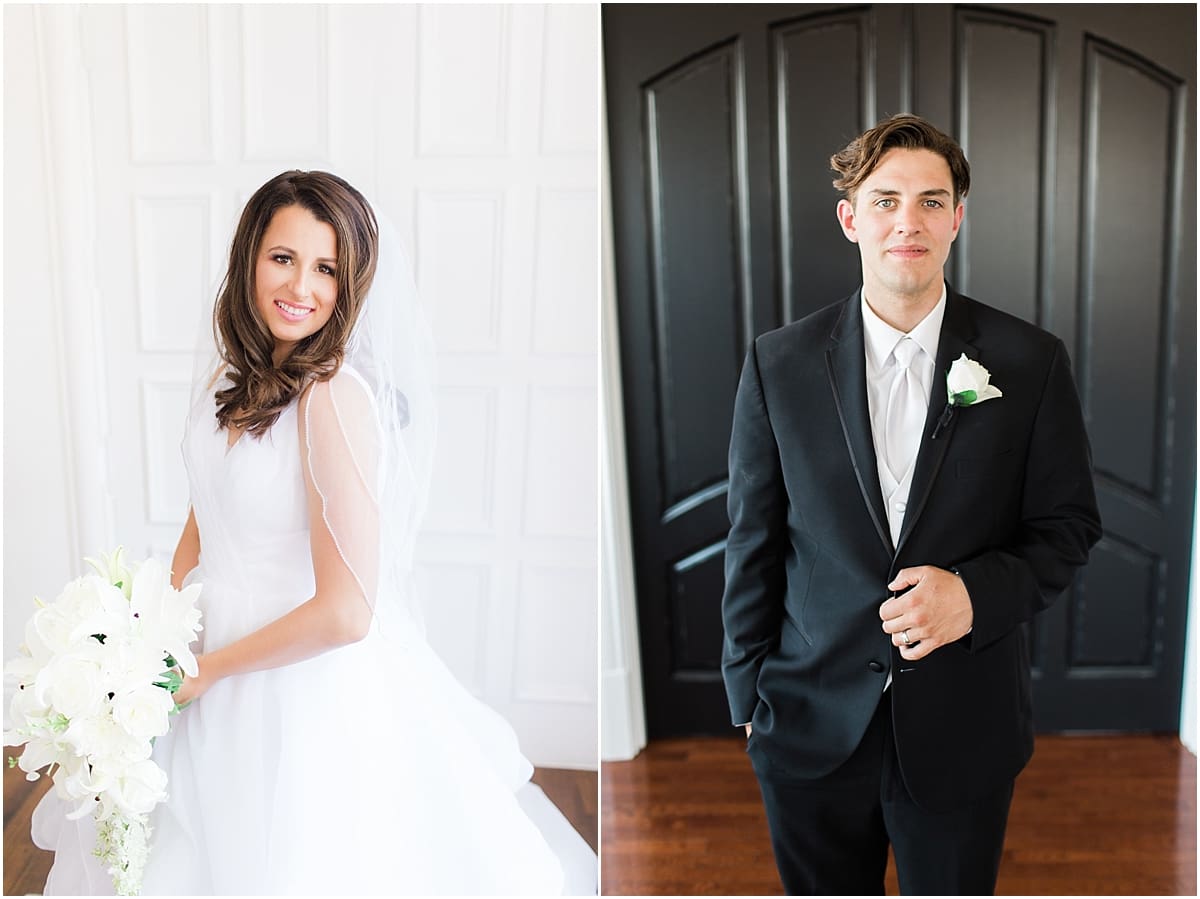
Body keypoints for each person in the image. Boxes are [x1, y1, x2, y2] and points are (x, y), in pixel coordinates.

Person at [32, 170, 596, 895]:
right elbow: (206, 517)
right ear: (250, 260)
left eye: (326, 268)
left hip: (294, 681)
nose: (301, 285)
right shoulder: (231, 379)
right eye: (282, 258)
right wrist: (147, 631)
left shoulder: (330, 399)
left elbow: (347, 612)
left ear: (349, 282)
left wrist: (213, 670)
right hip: (206, 656)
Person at [720, 115, 1102, 895]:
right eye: (886, 199)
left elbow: (1069, 528)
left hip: (964, 725)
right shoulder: (779, 363)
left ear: (957, 218)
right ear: (850, 216)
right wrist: (747, 694)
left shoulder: (1030, 361)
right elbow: (753, 537)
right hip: (807, 718)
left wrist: (972, 595)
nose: (908, 221)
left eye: (931, 201)